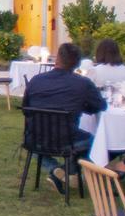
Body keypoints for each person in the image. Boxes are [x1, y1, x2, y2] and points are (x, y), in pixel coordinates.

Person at [23, 42, 107, 194]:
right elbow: (100, 106)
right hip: (67, 140)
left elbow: (26, 108)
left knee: (35, 147)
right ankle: (65, 170)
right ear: (77, 64)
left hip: (35, 138)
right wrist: (83, 107)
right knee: (97, 142)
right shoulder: (83, 84)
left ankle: (57, 170)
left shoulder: (36, 80)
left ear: (57, 59)